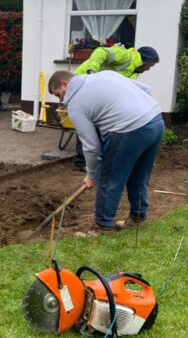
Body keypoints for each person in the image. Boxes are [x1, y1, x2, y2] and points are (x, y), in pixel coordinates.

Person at [48, 69, 164, 233]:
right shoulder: (105, 75)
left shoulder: (75, 103)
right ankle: (138, 217)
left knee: (107, 179)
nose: (61, 101)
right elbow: (145, 89)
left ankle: (102, 228)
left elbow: (90, 146)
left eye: (58, 95)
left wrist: (91, 174)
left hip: (127, 130)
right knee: (138, 175)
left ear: (64, 84)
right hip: (155, 121)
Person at [71, 45, 159, 170]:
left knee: (99, 123)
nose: (149, 69)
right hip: (83, 81)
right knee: (87, 124)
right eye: (151, 65)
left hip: (99, 92)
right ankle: (81, 162)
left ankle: (94, 160)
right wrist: (92, 71)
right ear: (146, 60)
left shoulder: (134, 72)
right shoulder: (126, 57)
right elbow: (101, 51)